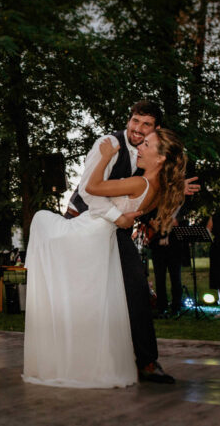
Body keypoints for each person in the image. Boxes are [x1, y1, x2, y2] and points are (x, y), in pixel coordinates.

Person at [22, 127, 187, 388]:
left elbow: (91, 187)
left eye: (147, 145)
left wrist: (105, 157)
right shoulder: (156, 188)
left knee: (42, 220)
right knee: (93, 298)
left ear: (161, 158)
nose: (140, 147)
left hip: (92, 232)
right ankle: (86, 357)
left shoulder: (141, 183)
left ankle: (74, 355)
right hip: (103, 235)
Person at [64, 100, 198, 384]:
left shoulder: (148, 152)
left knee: (136, 288)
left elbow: (147, 191)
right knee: (86, 296)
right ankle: (80, 359)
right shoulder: (109, 145)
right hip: (84, 223)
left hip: (116, 230)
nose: (138, 129)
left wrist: (174, 187)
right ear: (129, 119)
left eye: (146, 125)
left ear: (155, 129)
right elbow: (88, 192)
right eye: (135, 121)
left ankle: (146, 362)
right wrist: (119, 218)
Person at [149, 210, 189, 318]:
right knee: (159, 280)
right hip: (158, 249)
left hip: (174, 249)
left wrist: (170, 222)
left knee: (176, 279)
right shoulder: (155, 210)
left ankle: (176, 307)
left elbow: (179, 224)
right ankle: (162, 307)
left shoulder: (178, 211)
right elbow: (151, 223)